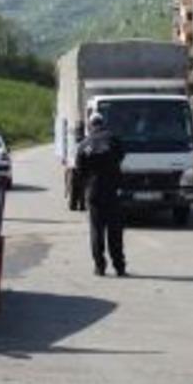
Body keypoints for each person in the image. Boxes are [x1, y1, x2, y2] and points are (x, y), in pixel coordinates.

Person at [76, 113, 127, 277]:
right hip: (113, 190)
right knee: (115, 231)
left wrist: (86, 187)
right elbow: (121, 157)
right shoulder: (113, 139)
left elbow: (79, 170)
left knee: (96, 230)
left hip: (94, 192)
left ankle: (100, 267)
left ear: (90, 125)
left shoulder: (84, 144)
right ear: (103, 123)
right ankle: (119, 266)